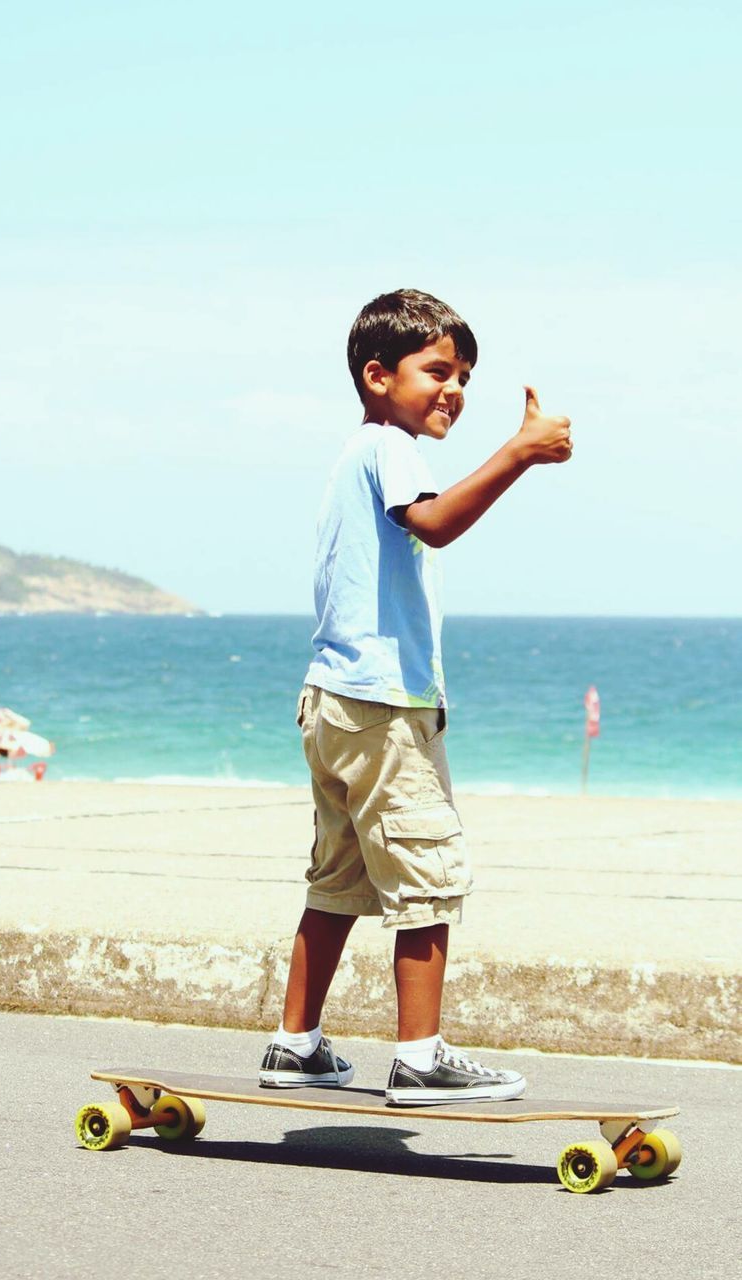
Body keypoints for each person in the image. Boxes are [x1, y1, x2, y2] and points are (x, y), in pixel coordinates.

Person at [259, 289, 572, 1105]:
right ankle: (421, 1058)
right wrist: (519, 453)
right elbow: (432, 524)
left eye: (463, 375)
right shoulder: (389, 447)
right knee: (426, 876)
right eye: (436, 370)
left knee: (338, 882)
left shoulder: (356, 456)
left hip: (331, 700)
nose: (453, 389)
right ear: (376, 376)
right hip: (383, 705)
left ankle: (296, 1045)